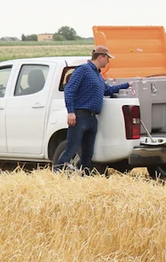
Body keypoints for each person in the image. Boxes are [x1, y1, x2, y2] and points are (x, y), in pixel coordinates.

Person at [53, 45, 131, 173]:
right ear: (101, 57)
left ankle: (85, 176)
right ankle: (56, 173)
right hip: (80, 116)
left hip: (92, 118)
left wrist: (127, 85)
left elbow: (107, 90)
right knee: (72, 148)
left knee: (88, 152)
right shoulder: (83, 70)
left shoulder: (98, 75)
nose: (108, 61)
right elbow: (69, 90)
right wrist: (71, 112)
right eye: (107, 58)